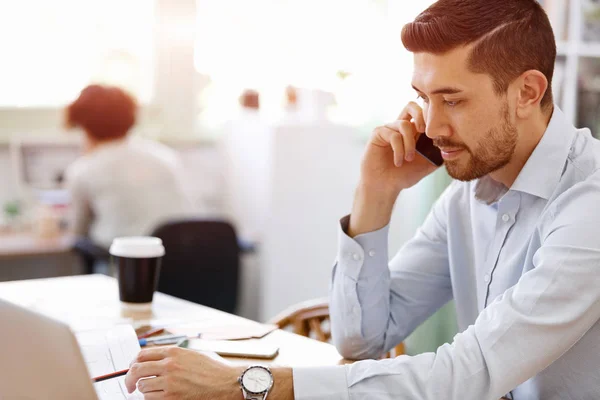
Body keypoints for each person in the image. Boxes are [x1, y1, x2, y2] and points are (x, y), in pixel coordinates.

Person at [124, 1, 600, 399]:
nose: (431, 127)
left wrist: (247, 384)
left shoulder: (588, 204)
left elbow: (473, 370)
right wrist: (376, 193)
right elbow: (362, 339)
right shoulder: (468, 195)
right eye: (423, 97)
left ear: (527, 92)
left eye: (452, 100)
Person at [64, 84, 192, 250]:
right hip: (182, 260)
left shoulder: (84, 169)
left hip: (123, 266)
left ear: (84, 126)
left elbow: (78, 231)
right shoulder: (165, 156)